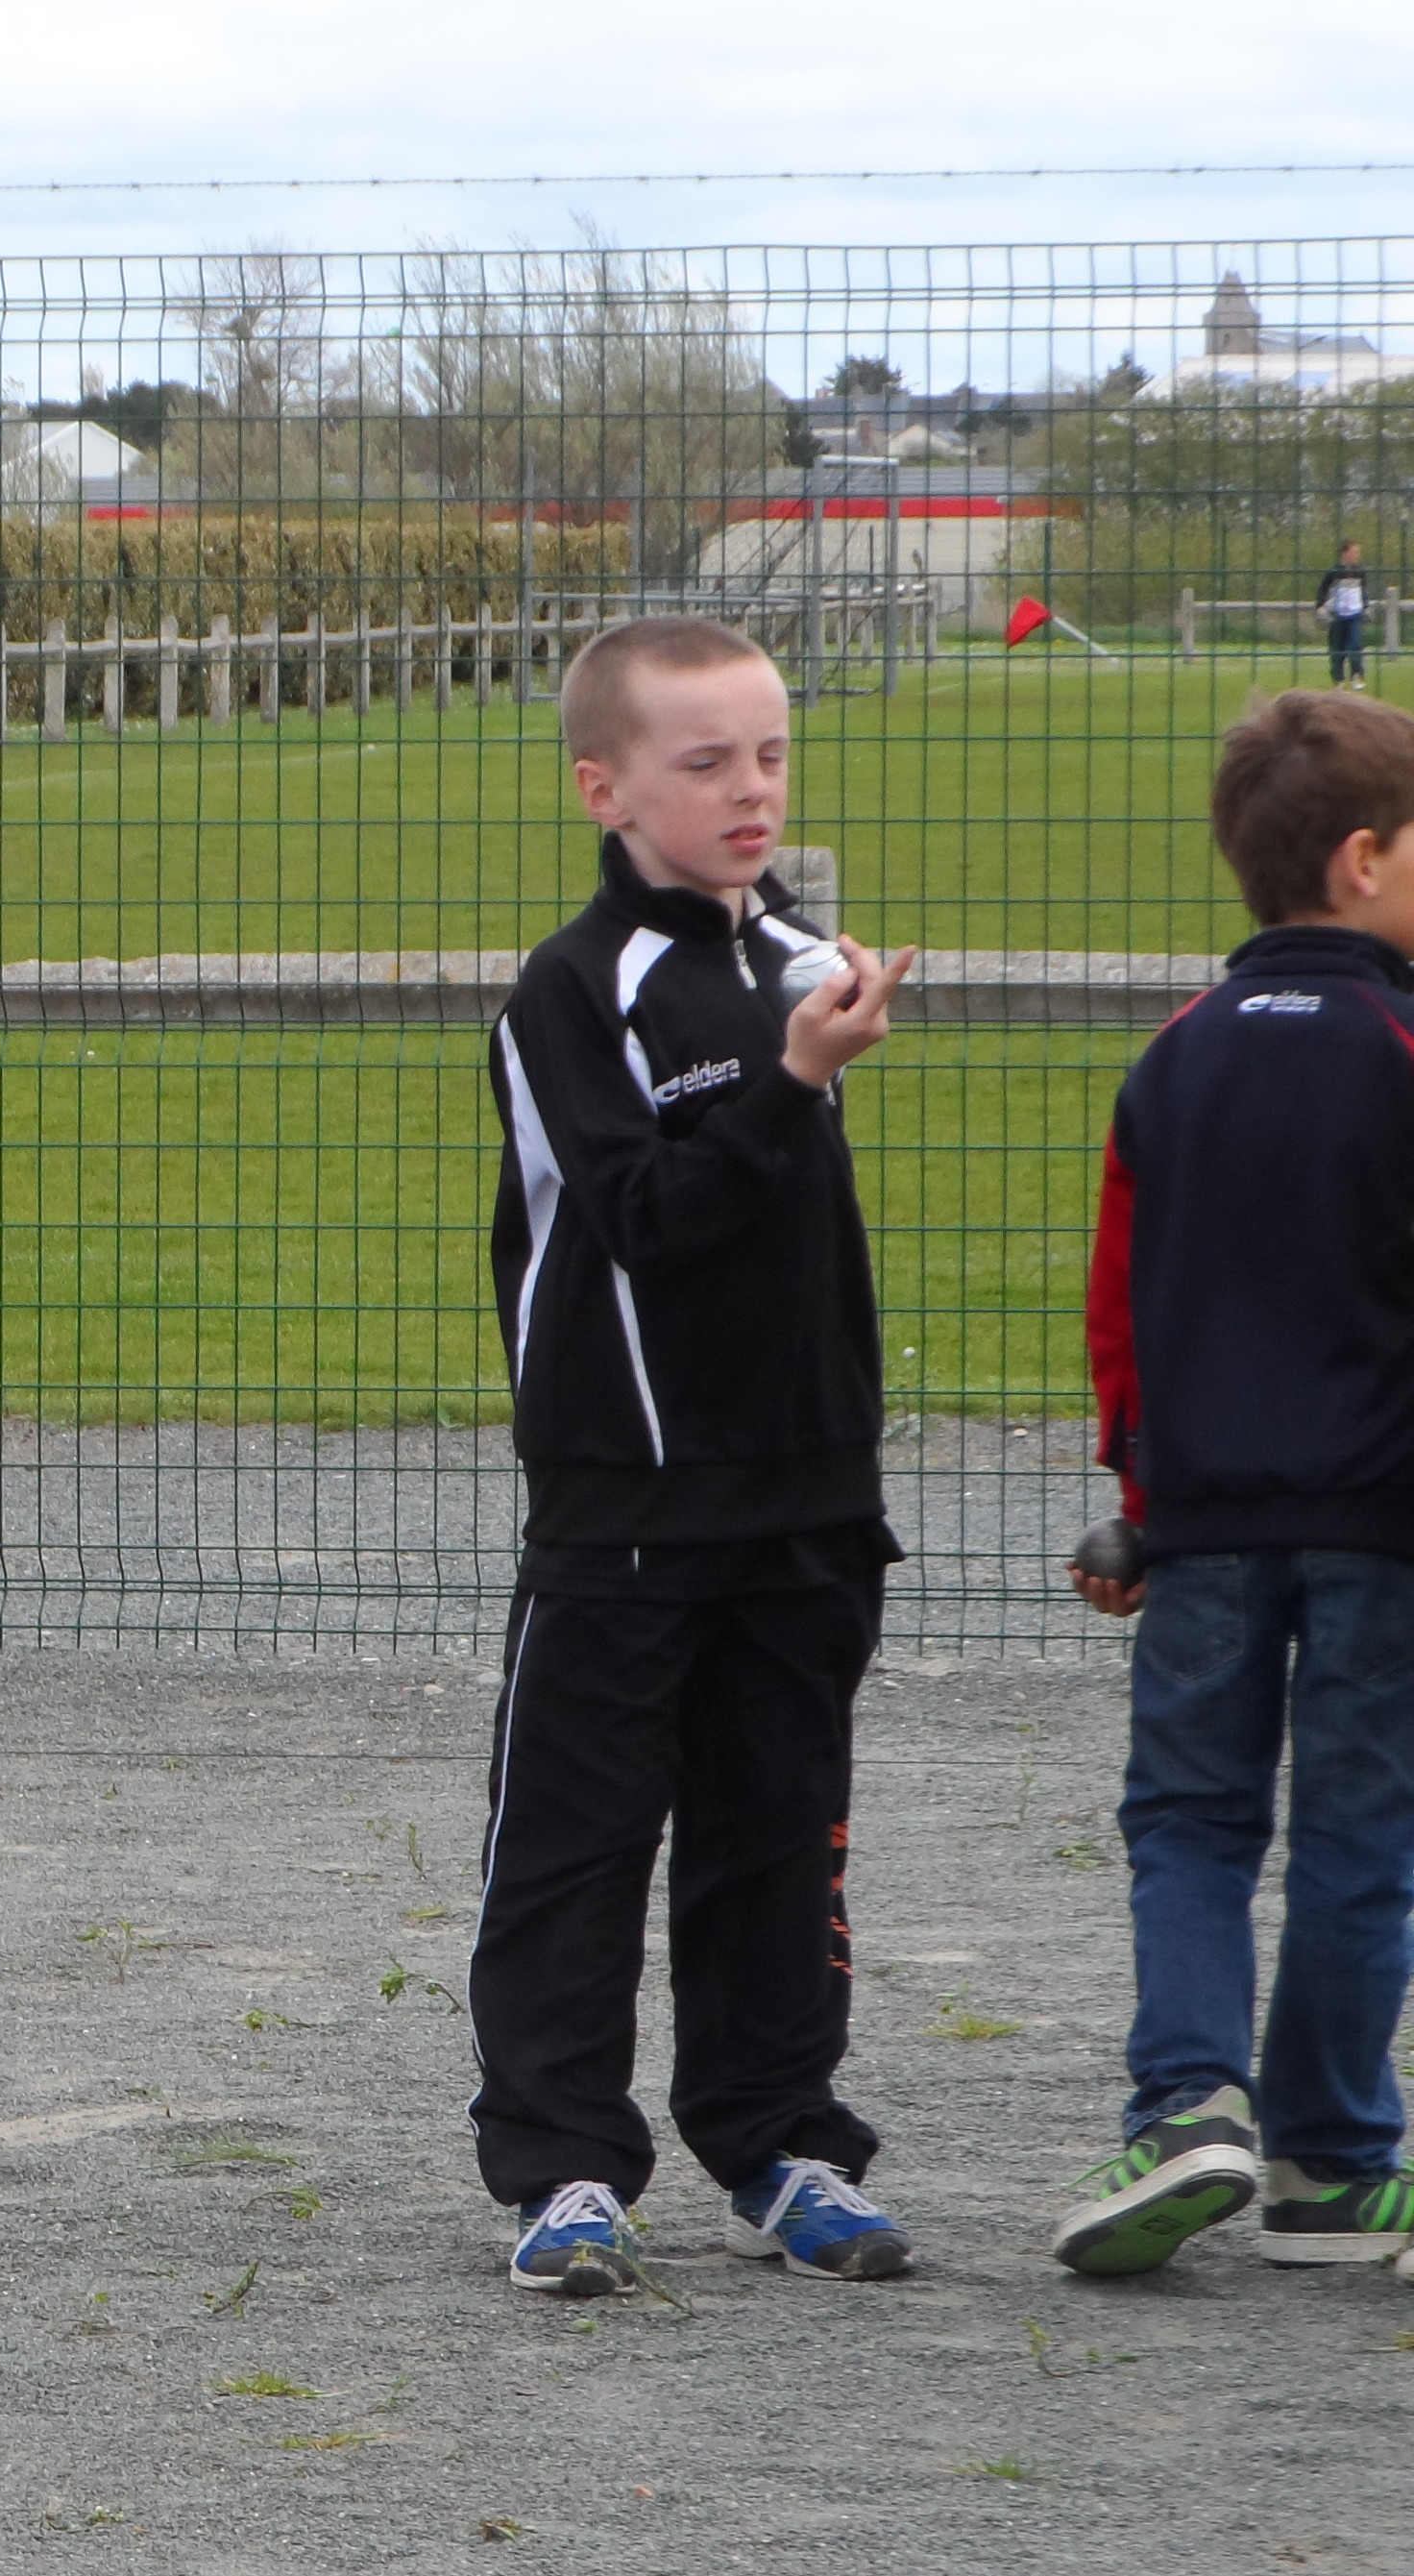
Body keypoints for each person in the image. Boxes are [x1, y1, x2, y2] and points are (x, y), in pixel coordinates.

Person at [470, 617, 922, 2297]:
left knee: (780, 1835)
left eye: (772, 755)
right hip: (626, 1515)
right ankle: (564, 2170)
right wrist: (793, 1083)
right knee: (576, 1854)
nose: (751, 789)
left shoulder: (807, 962)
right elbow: (647, 1221)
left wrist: (805, 1062)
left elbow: (799, 1251)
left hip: (805, 1512)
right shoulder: (573, 990)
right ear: (605, 787)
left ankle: (782, 2140)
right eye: (706, 760)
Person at [1055, 690, 1414, 2280]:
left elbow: (1122, 1305)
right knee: (1359, 1832)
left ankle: (1186, 2100)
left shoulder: (1173, 1060)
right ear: (1361, 862)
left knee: (1190, 1822)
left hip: (1198, 1527)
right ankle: (1330, 2163)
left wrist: (1139, 1498)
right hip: (1380, 1529)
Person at [1321, 542, 1371, 687]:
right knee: (1337, 648)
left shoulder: (1360, 572)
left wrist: (1366, 606)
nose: (1357, 556)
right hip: (1337, 615)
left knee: (1355, 645)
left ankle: (1357, 675)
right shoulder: (1333, 572)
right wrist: (1321, 607)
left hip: (1355, 614)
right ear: (1345, 553)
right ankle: (1338, 680)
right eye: (1354, 552)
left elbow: (1364, 591)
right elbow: (1322, 591)